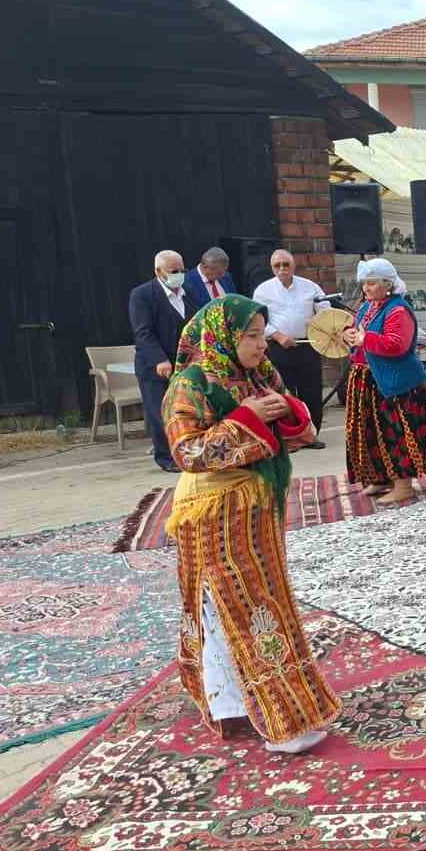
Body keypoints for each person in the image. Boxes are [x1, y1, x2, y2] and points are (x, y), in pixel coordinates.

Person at [162, 295, 338, 754]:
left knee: (265, 603)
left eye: (263, 333)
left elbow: (299, 435)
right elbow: (186, 453)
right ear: (224, 337)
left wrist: (289, 412)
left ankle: (261, 707)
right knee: (235, 605)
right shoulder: (191, 383)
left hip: (259, 506)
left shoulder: (262, 376)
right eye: (252, 336)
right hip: (212, 513)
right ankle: (270, 715)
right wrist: (246, 419)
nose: (263, 345)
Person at [341, 259, 426, 504]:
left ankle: (403, 485)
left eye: (372, 283)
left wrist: (366, 340)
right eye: (364, 283)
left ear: (387, 285)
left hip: (396, 385)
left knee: (394, 433)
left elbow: (397, 345)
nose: (366, 288)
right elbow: (358, 331)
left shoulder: (398, 310)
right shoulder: (368, 307)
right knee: (370, 433)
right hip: (368, 380)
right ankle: (381, 478)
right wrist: (348, 334)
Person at [129, 250, 203, 472]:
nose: (179, 275)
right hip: (156, 366)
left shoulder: (187, 292)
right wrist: (159, 359)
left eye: (182, 270)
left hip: (185, 365)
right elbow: (143, 332)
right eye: (174, 271)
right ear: (158, 272)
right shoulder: (142, 295)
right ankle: (166, 458)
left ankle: (187, 452)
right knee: (160, 412)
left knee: (185, 411)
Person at [251, 249, 328, 448]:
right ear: (271, 267)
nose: (282, 269)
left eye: (286, 264)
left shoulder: (310, 287)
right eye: (277, 265)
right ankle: (287, 438)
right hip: (278, 347)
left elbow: (325, 311)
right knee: (281, 393)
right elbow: (258, 321)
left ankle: (312, 435)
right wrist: (277, 335)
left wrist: (316, 323)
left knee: (311, 391)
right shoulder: (263, 290)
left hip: (307, 346)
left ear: (293, 265)